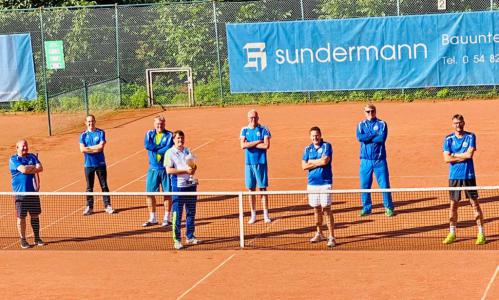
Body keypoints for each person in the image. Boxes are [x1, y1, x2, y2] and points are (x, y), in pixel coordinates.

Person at [442, 114, 486, 245]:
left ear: (464, 123)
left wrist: (454, 154)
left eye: (460, 122)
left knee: (474, 204)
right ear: (452, 124)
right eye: (455, 123)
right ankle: (452, 233)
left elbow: (470, 154)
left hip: (468, 176)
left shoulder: (471, 136)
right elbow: (446, 159)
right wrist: (463, 156)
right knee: (453, 206)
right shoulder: (448, 139)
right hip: (454, 177)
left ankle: (481, 233)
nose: (458, 125)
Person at [356, 104, 394, 217]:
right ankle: (366, 208)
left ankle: (388, 207)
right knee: (365, 185)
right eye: (368, 111)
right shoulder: (360, 124)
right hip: (365, 161)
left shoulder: (382, 124)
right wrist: (373, 134)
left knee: (385, 185)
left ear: (375, 111)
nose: (370, 113)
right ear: (364, 113)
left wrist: (367, 137)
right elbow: (360, 138)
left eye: (372, 111)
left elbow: (381, 138)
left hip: (379, 160)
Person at [165, 130, 200, 250]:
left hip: (190, 186)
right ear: (174, 140)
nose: (180, 140)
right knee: (177, 214)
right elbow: (169, 170)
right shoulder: (169, 153)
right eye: (178, 138)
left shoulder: (187, 151)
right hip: (178, 187)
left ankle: (190, 236)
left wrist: (193, 169)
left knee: (191, 212)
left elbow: (193, 165)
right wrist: (185, 171)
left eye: (182, 138)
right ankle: (177, 239)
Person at [302, 127, 335, 247]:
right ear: (310, 137)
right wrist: (318, 161)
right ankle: (319, 233)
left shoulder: (327, 146)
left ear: (320, 135)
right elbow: (304, 166)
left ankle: (331, 236)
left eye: (317, 135)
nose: (315, 138)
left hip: (325, 183)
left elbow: (325, 161)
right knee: (316, 209)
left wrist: (311, 162)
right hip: (312, 184)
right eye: (312, 136)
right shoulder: (307, 149)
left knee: (326, 209)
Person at [9, 140, 44, 249]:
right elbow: (23, 170)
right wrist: (33, 167)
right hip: (20, 194)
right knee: (21, 218)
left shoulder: (32, 156)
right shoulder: (14, 159)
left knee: (35, 215)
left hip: (32, 192)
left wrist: (30, 168)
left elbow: (41, 168)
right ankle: (23, 240)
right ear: (17, 147)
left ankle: (37, 238)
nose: (25, 148)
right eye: (23, 147)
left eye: (26, 146)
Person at [240, 109, 271, 224]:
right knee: (251, 189)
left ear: (258, 118)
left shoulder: (264, 129)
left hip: (261, 162)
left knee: (262, 189)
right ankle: (253, 214)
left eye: (255, 117)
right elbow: (243, 145)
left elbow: (266, 145)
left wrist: (250, 144)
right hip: (249, 164)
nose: (253, 119)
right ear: (248, 118)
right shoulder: (244, 130)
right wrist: (258, 141)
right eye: (251, 118)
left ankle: (265, 214)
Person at [79, 114, 114, 215]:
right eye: (89, 121)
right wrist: (95, 148)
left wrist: (89, 148)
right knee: (89, 187)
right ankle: (89, 207)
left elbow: (101, 147)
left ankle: (107, 205)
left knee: (104, 185)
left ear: (95, 121)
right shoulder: (83, 135)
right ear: (86, 123)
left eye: (92, 121)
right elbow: (82, 149)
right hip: (88, 165)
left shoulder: (101, 133)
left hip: (100, 164)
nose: (91, 123)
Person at [143, 115, 174, 227]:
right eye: (157, 124)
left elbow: (168, 148)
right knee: (150, 194)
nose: (159, 126)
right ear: (154, 124)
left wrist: (156, 148)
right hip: (153, 169)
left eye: (161, 124)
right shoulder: (149, 134)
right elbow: (147, 145)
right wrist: (160, 148)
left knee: (167, 193)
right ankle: (153, 218)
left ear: (164, 124)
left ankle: (167, 218)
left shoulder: (170, 135)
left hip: (166, 168)